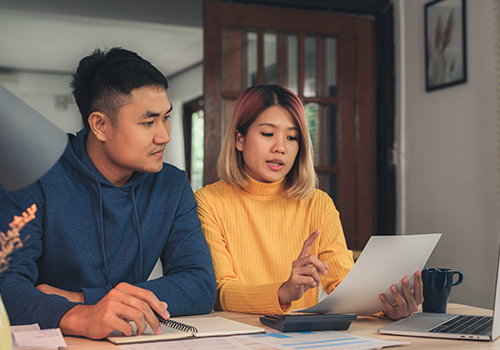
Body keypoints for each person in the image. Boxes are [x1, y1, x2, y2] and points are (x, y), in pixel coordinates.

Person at [0, 47, 216, 339]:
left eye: (166, 118)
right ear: (100, 125)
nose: (164, 135)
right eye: (148, 122)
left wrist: (83, 299)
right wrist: (80, 317)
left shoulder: (171, 184)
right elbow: (6, 285)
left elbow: (200, 284)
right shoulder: (35, 173)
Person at [194, 84, 423, 319]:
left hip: (303, 338)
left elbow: (345, 289)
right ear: (239, 140)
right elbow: (221, 292)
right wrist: (284, 292)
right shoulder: (209, 202)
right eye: (267, 134)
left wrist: (388, 308)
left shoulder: (318, 204)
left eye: (292, 137)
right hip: (236, 337)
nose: (280, 148)